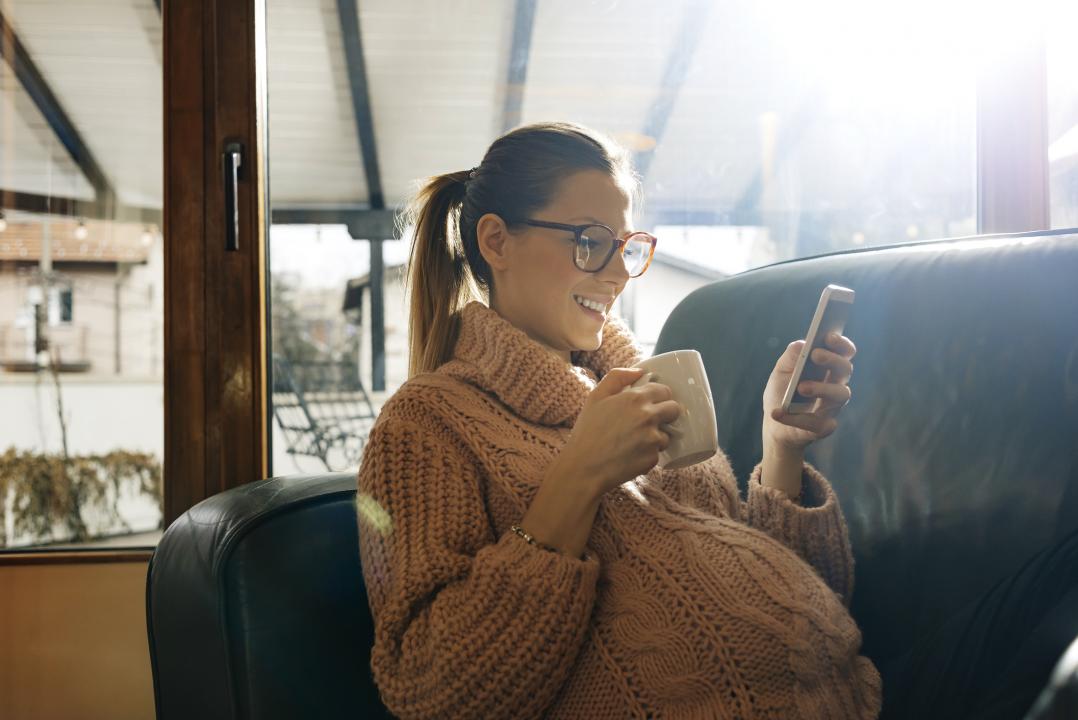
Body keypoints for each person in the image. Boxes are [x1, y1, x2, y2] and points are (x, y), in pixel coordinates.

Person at [356, 121, 875, 718]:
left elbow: (787, 596)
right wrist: (576, 480)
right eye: (589, 241)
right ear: (496, 242)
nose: (620, 272)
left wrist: (781, 448)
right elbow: (430, 689)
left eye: (627, 246)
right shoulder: (427, 425)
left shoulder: (649, 388)